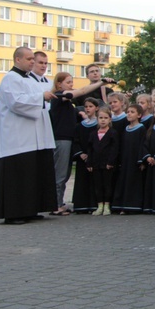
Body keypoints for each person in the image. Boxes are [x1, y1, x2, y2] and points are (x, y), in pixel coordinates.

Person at [0, 47, 58, 224]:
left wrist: (43, 97)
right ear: (17, 59)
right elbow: (16, 102)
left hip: (33, 137)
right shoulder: (10, 79)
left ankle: (31, 209)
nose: (32, 62)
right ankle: (14, 213)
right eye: (29, 59)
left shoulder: (31, 80)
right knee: (18, 177)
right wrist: (41, 97)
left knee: (32, 174)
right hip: (16, 138)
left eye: (32, 59)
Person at [49, 72, 114, 215]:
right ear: (59, 84)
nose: (71, 85)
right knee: (60, 173)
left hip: (67, 138)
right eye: (68, 82)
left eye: (72, 82)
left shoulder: (65, 100)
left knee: (64, 173)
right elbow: (83, 91)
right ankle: (56, 205)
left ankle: (59, 202)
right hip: (62, 139)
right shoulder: (60, 96)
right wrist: (101, 83)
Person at [112, 104, 146, 214]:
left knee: (133, 182)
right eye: (128, 112)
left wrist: (141, 160)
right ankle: (121, 205)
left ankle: (132, 206)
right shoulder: (126, 129)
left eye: (132, 112)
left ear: (139, 115)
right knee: (123, 181)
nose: (129, 114)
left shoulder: (141, 128)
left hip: (135, 161)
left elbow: (143, 145)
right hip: (125, 160)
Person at [88, 106, 119, 216]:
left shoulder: (112, 133)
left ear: (110, 119)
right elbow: (90, 149)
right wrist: (90, 163)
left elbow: (114, 149)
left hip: (107, 164)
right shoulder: (93, 134)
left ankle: (107, 205)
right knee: (98, 185)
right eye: (100, 117)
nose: (103, 120)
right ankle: (99, 205)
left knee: (107, 185)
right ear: (97, 119)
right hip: (96, 164)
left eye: (105, 118)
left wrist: (111, 162)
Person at [71, 98, 100, 214]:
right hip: (82, 158)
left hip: (94, 158)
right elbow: (76, 141)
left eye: (90, 106)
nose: (88, 109)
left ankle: (94, 204)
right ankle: (81, 205)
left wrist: (92, 154)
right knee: (82, 181)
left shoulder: (99, 125)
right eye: (86, 106)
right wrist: (80, 153)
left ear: (96, 108)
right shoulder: (80, 126)